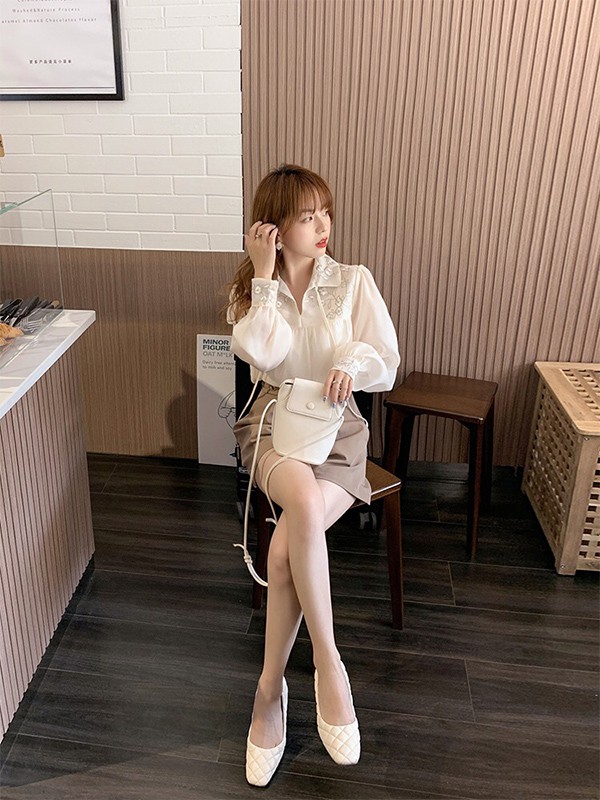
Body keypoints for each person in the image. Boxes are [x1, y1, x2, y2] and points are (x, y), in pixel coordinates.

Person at [224, 163, 400, 786]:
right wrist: (264, 275)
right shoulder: (250, 290)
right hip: (274, 425)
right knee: (299, 499)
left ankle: (269, 691)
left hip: (339, 431)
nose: (323, 224)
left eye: (325, 211)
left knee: (282, 552)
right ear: (274, 226)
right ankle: (329, 664)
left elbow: (387, 360)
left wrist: (351, 362)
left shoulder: (353, 281)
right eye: (306, 215)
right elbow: (262, 354)